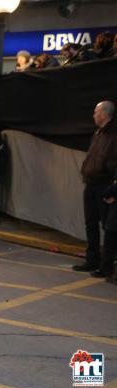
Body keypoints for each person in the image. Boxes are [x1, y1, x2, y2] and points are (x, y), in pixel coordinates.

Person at [73, 101, 117, 273]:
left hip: (104, 185)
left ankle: (106, 266)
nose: (93, 115)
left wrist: (113, 188)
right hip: (90, 183)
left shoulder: (113, 135)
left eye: (95, 111)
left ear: (104, 114)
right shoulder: (97, 134)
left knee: (108, 226)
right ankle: (92, 260)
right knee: (90, 224)